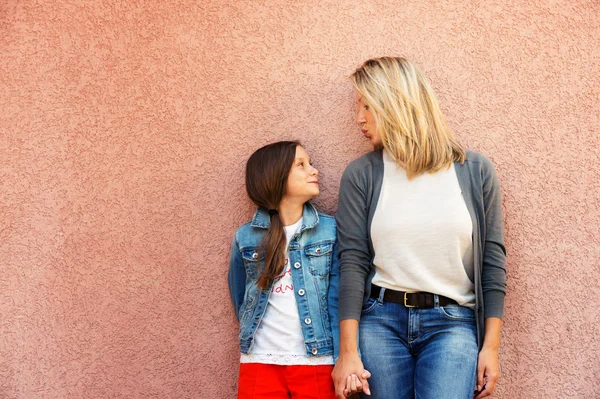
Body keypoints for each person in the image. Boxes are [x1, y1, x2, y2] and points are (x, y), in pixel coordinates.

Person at [332, 57, 507, 399]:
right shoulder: (362, 174)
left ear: (397, 101)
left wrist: (491, 347)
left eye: (367, 105)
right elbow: (351, 263)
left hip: (453, 325)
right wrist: (348, 353)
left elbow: (492, 263)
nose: (359, 118)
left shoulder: (474, 171)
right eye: (358, 106)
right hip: (379, 323)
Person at [228, 141, 340, 399]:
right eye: (301, 165)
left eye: (310, 163)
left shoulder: (330, 231)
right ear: (275, 178)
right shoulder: (246, 237)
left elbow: (338, 300)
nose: (314, 171)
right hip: (259, 361)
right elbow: (240, 297)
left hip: (316, 361)